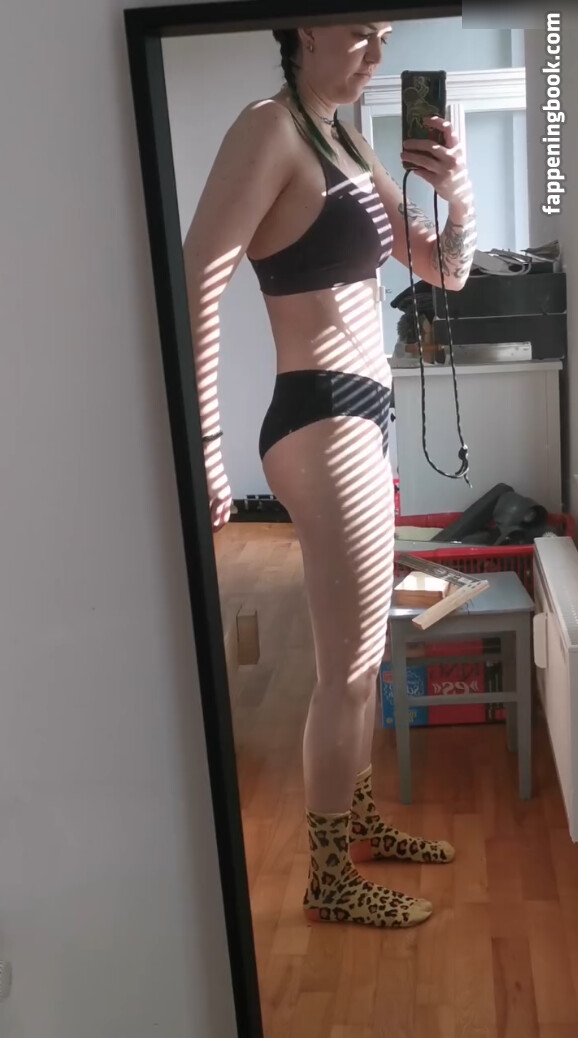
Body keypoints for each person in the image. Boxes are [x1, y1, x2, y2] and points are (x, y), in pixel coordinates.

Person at [183, 21, 477, 929]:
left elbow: (444, 272)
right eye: (360, 35)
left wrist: (457, 195)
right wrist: (204, 444)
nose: (378, 57)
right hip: (323, 418)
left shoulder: (343, 135)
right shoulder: (268, 128)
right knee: (346, 670)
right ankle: (328, 880)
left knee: (363, 654)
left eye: (385, 37)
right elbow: (198, 279)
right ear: (306, 28)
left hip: (363, 414)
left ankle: (358, 823)